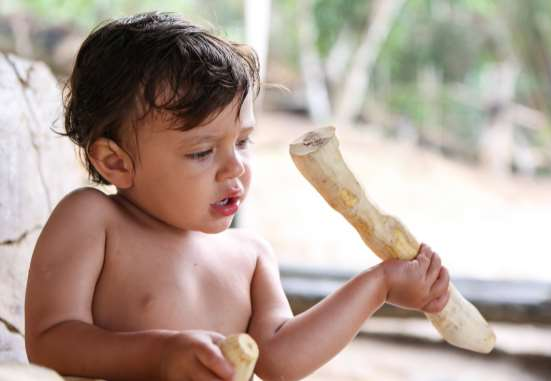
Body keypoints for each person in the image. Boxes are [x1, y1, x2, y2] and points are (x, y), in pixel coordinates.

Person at [24, 12, 450, 381]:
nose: (236, 168)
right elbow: (50, 339)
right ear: (116, 163)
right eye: (202, 152)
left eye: (243, 142)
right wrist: (160, 356)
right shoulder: (95, 220)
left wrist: (377, 286)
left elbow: (280, 362)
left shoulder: (249, 256)